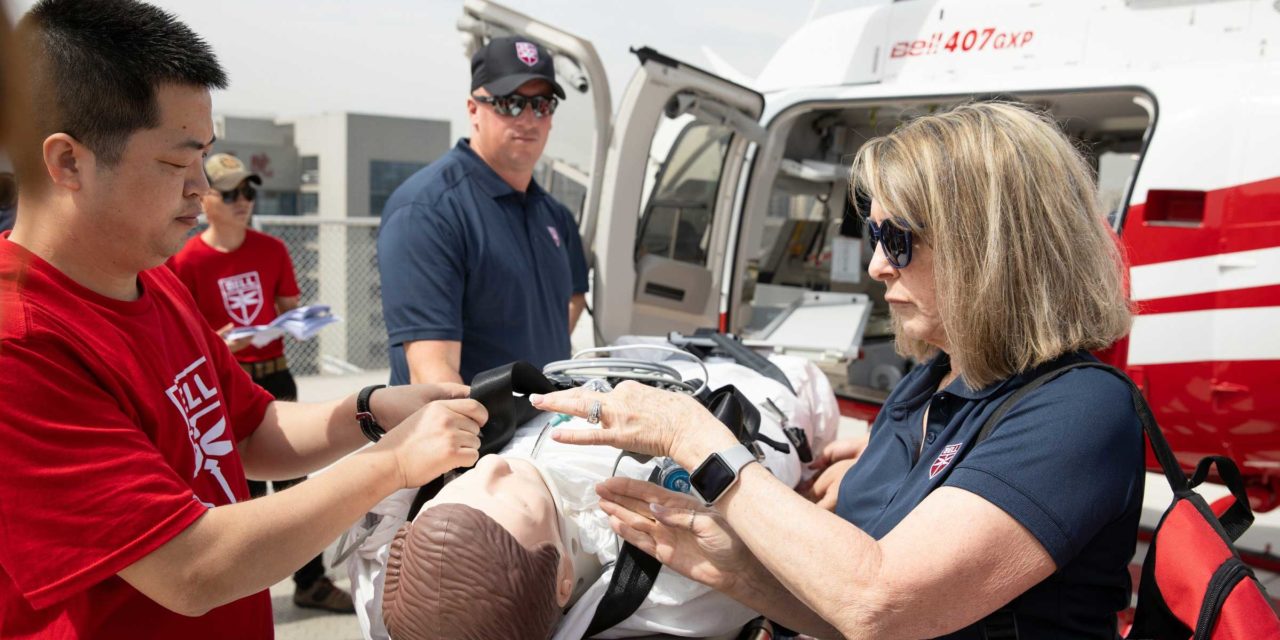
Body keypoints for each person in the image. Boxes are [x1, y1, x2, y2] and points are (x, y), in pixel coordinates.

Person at [532, 102, 1144, 639]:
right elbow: (857, 616)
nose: (877, 264)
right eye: (873, 233)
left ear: (990, 247)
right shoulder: (935, 381)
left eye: (899, 238)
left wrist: (693, 437)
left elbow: (882, 602)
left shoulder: (1078, 411)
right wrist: (740, 573)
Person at [0, 1, 487, 637]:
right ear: (67, 162)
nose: (201, 187)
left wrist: (369, 411)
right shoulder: (21, 344)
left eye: (205, 156)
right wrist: (393, 462)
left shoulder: (152, 281)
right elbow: (191, 567)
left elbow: (250, 429)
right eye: (177, 163)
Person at [346, 355, 840, 640]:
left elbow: (370, 554)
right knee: (806, 387)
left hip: (621, 367)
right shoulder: (658, 581)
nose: (491, 465)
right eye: (512, 496)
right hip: (772, 388)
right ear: (564, 580)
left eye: (464, 481)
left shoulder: (394, 595)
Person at [168, 152, 353, 612]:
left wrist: (289, 320)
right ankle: (244, 594)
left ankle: (311, 582)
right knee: (240, 495)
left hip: (275, 376)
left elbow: (289, 305)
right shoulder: (185, 261)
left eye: (248, 191)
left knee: (295, 485)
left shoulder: (272, 249)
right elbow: (178, 335)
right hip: (225, 385)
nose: (242, 201)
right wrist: (214, 343)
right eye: (230, 192)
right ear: (204, 196)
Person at [377, 35, 589, 386]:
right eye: (510, 103)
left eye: (542, 104)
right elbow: (433, 378)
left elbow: (573, 297)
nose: (528, 118)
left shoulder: (554, 215)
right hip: (474, 437)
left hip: (543, 430)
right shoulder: (428, 212)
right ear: (474, 109)